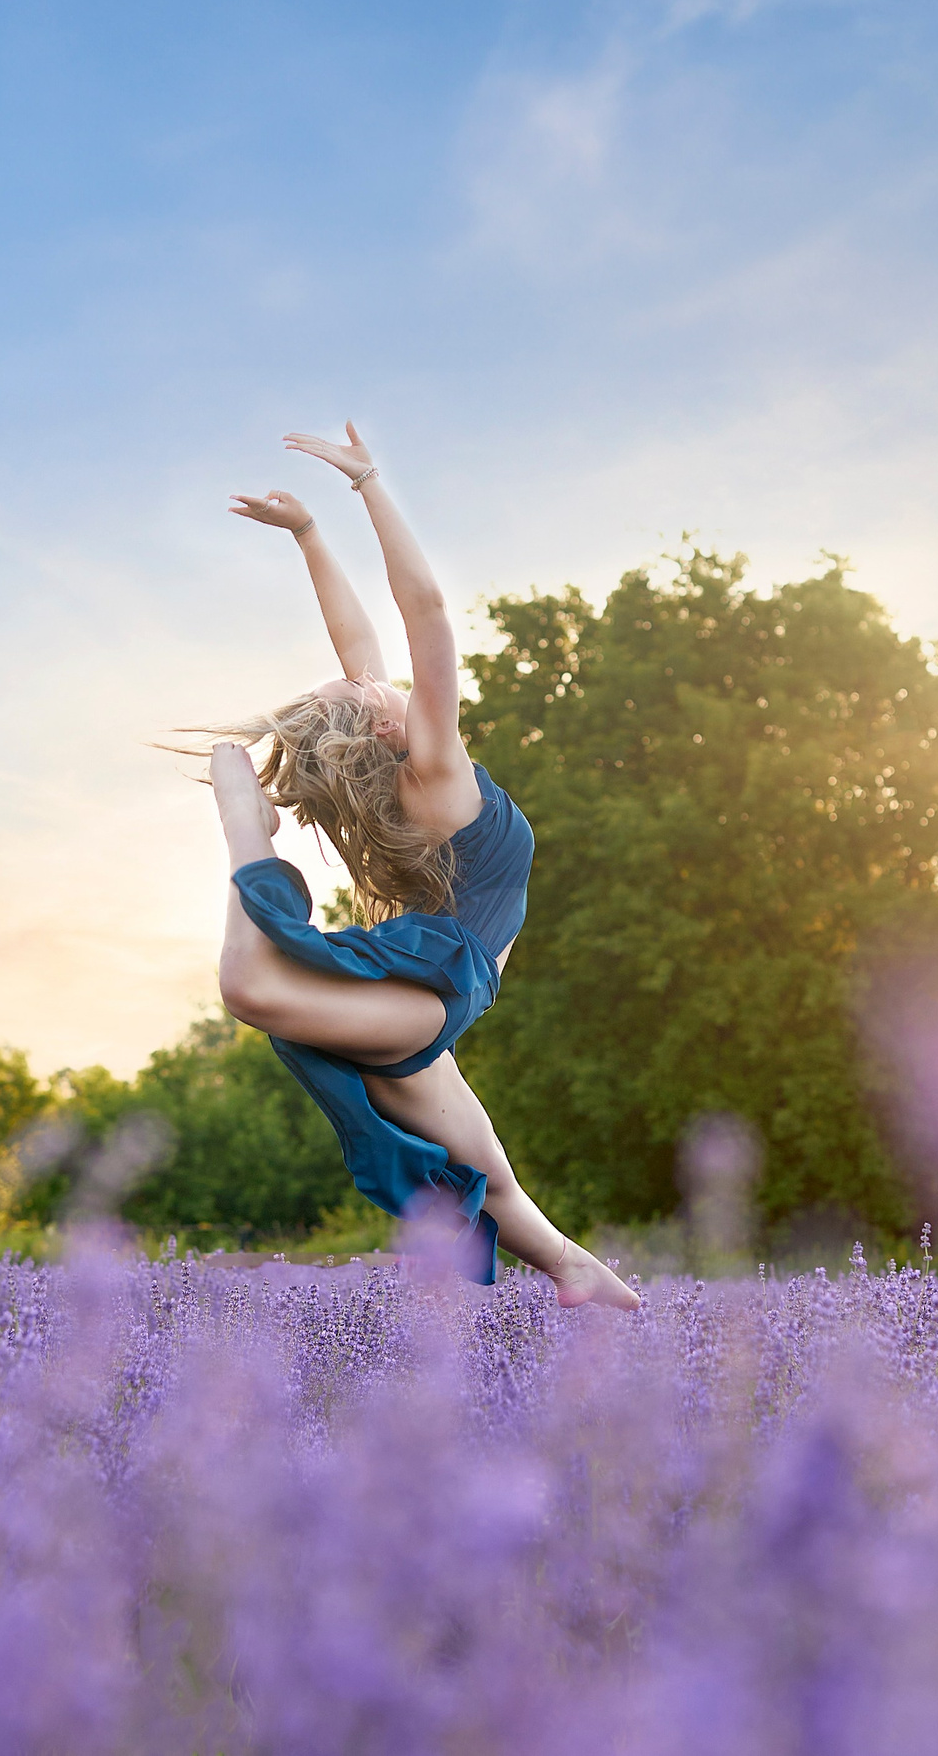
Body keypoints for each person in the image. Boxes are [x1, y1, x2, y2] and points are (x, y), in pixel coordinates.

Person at [200, 422, 640, 1309]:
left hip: (437, 992)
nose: (367, 675)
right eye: (358, 689)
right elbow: (425, 610)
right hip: (433, 991)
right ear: (382, 729)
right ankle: (247, 834)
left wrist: (311, 537)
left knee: (493, 1177)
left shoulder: (402, 779)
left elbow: (357, 641)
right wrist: (368, 486)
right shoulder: (434, 768)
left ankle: (584, 1279)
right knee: (251, 991)